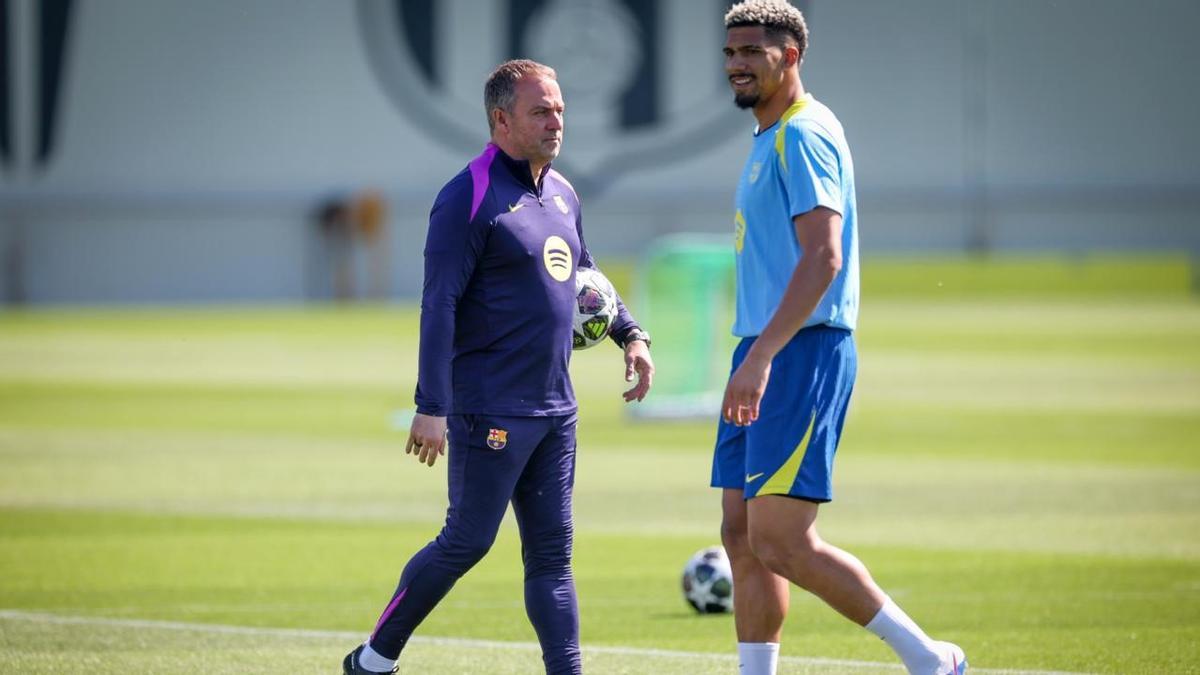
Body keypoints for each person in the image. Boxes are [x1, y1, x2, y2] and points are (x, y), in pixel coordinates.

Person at [342, 59, 654, 675]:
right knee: (466, 542)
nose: (556, 120)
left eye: (559, 108)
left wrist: (630, 333)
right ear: (502, 119)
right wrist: (431, 406)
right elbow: (439, 304)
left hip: (555, 409)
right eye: (541, 111)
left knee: (552, 559)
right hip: (490, 406)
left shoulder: (562, 192)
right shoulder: (469, 195)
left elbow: (588, 277)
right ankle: (374, 661)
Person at [711, 3, 966, 675]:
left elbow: (822, 258)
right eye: (730, 50)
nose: (736, 62)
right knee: (740, 533)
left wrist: (763, 356)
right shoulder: (768, 135)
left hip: (798, 350)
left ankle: (930, 658)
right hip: (762, 348)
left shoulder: (804, 132)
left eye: (752, 52)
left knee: (783, 540)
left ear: (790, 56)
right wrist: (753, 352)